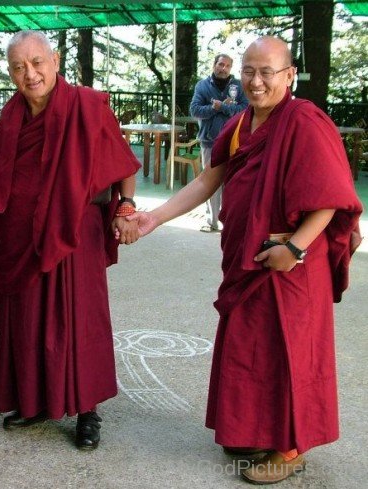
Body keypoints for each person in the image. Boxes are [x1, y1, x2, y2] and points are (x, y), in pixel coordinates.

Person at [128, 36, 362, 484]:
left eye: (266, 72)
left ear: (289, 76)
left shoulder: (305, 122)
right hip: (249, 257)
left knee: (288, 352)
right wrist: (153, 218)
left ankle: (290, 447)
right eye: (249, 72)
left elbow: (330, 198)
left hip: (291, 264)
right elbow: (207, 181)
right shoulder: (239, 125)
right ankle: (252, 428)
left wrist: (293, 250)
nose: (255, 82)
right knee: (249, 347)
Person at [0, 31, 141, 451]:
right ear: (10, 72)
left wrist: (127, 206)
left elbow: (122, 161)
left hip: (77, 230)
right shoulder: (10, 117)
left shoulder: (87, 105)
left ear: (55, 60)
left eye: (38, 62)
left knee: (79, 317)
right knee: (27, 318)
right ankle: (36, 400)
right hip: (22, 231)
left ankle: (87, 410)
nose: (30, 74)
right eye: (19, 67)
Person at [189, 54, 248, 233]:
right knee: (210, 183)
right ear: (214, 65)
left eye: (227, 66)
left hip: (235, 142)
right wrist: (212, 108)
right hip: (210, 141)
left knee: (232, 183)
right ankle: (212, 221)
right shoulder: (203, 85)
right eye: (221, 64)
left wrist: (222, 107)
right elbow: (195, 110)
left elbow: (245, 110)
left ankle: (229, 222)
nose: (224, 68)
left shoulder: (238, 86)